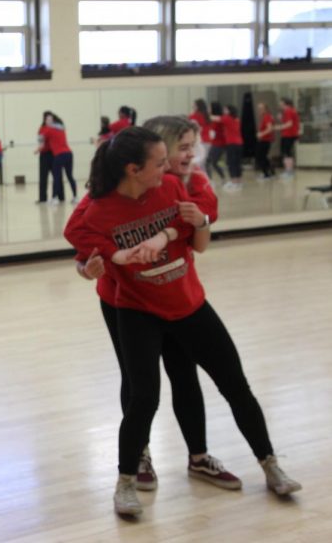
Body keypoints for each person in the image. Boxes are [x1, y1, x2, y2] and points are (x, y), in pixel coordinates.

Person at [64, 126, 301, 517]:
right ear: (133, 169)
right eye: (162, 161)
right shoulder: (99, 208)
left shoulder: (173, 186)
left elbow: (192, 227)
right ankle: (125, 482)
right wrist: (103, 261)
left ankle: (270, 465)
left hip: (189, 304)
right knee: (143, 398)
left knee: (235, 386)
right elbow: (80, 240)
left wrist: (172, 232)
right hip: (136, 311)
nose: (171, 166)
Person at [67, 115, 239, 494]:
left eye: (194, 145)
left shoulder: (191, 182)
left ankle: (199, 457)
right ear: (154, 152)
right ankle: (138, 453)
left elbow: (200, 230)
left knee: (185, 374)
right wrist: (87, 267)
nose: (190, 154)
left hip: (174, 292)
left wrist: (179, 229)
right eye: (182, 148)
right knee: (140, 384)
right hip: (123, 301)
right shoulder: (112, 189)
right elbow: (83, 239)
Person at [38, 112, 77, 204]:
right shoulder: (61, 128)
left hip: (59, 155)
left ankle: (54, 198)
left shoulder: (47, 130)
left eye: (48, 120)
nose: (47, 121)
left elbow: (41, 141)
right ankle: (75, 196)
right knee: (70, 176)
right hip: (69, 153)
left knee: (57, 176)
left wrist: (37, 149)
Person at [216, 105, 243, 191]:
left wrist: (205, 113)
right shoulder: (236, 119)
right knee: (237, 163)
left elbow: (215, 119)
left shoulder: (227, 118)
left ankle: (234, 182)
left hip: (232, 144)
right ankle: (238, 181)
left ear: (229, 111)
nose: (223, 111)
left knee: (231, 163)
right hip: (239, 143)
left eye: (225, 109)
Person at [275, 97, 300, 178]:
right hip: (290, 134)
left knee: (287, 153)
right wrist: (281, 119)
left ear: (284, 103)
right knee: (287, 153)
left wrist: (278, 127)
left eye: (280, 102)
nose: (279, 104)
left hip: (289, 135)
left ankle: (289, 171)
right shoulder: (290, 111)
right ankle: (289, 171)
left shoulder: (288, 110)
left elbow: (289, 124)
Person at [204, 101, 226, 183]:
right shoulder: (214, 119)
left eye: (210, 107)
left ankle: (218, 178)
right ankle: (212, 179)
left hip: (219, 144)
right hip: (215, 143)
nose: (208, 109)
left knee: (212, 162)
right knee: (211, 162)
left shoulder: (218, 118)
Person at [36, 111, 55, 203]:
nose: (50, 121)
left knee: (57, 176)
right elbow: (40, 142)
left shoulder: (56, 128)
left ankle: (59, 196)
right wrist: (39, 149)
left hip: (54, 153)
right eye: (48, 119)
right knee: (43, 176)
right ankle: (42, 198)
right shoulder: (42, 129)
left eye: (51, 119)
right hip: (44, 154)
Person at [188, 99, 212, 168]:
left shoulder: (193, 116)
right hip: (208, 141)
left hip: (199, 141)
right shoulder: (207, 116)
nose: (192, 106)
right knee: (204, 163)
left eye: (194, 105)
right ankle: (207, 177)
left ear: (198, 106)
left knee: (198, 164)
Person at [255, 102, 276, 180]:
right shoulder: (264, 117)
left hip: (265, 140)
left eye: (261, 108)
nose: (259, 110)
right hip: (264, 140)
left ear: (265, 109)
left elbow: (270, 128)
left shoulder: (267, 117)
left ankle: (266, 174)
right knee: (263, 157)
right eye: (258, 108)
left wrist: (261, 134)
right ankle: (270, 172)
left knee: (260, 157)